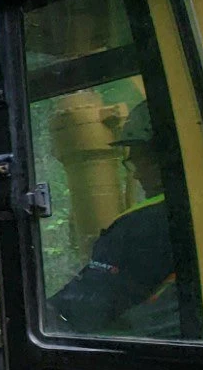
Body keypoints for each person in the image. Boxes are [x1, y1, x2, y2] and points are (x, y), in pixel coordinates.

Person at [44, 100, 178, 338]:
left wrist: (39, 312)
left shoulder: (142, 225)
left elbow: (84, 309)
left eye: (139, 160)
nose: (135, 174)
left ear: (164, 157)